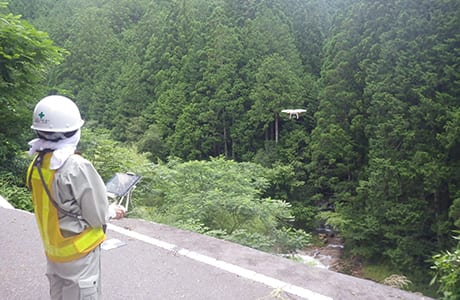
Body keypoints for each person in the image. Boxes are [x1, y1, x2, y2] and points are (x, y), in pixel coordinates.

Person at [26, 95, 125, 300]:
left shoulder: (38, 163)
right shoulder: (75, 166)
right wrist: (112, 211)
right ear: (72, 130)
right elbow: (97, 216)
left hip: (54, 252)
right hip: (78, 252)